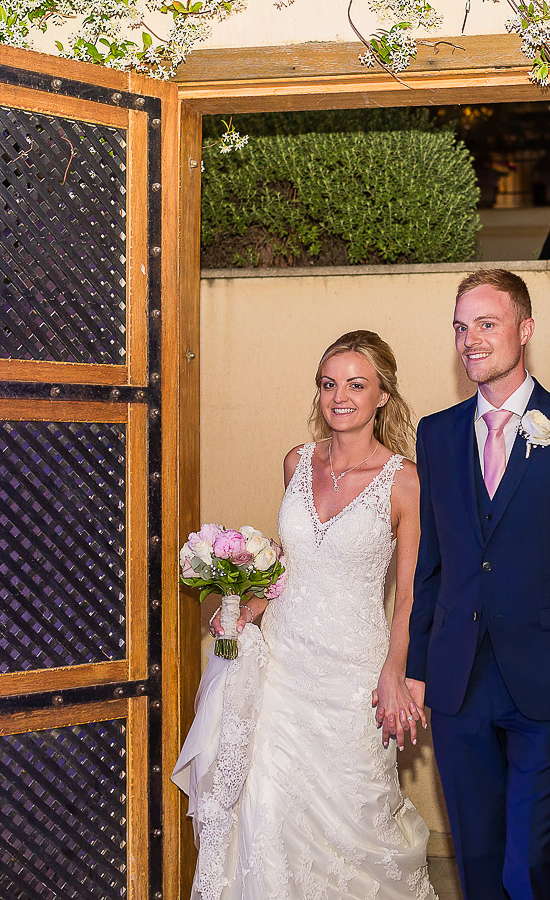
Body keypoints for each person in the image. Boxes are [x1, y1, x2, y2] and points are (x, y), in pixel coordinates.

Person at [407, 268, 550, 900]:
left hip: (549, 678)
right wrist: (416, 667)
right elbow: (432, 561)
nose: (471, 339)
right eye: (461, 327)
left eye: (487, 323)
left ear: (525, 329)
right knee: (478, 860)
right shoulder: (437, 433)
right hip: (458, 682)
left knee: (528, 861)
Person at [182, 330, 437, 900]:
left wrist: (396, 673)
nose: (339, 396)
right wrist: (245, 606)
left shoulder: (406, 482)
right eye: (328, 384)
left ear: (382, 397)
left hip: (354, 676)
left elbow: (412, 594)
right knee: (266, 805)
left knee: (354, 818)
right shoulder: (296, 462)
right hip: (282, 667)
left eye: (355, 384)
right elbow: (286, 563)